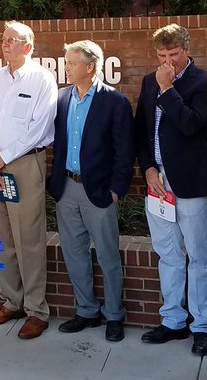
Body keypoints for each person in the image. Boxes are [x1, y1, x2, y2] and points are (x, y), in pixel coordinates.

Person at [134, 23, 207, 355]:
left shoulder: (203, 82)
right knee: (167, 254)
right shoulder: (147, 82)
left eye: (174, 54)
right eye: (161, 55)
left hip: (192, 183)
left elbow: (193, 125)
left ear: (187, 50)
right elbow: (141, 130)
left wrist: (168, 91)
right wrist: (149, 168)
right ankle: (173, 321)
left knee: (199, 257)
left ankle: (202, 325)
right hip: (158, 183)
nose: (167, 62)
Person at [48, 40, 133, 342]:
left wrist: (115, 190)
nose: (66, 67)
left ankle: (113, 315)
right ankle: (86, 311)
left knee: (108, 255)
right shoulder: (60, 98)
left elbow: (125, 151)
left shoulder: (115, 102)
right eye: (66, 61)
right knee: (74, 254)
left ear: (90, 66)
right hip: (66, 188)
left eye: (71, 62)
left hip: (99, 191)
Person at [0, 21, 58, 340]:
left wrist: (2, 158)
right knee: (1, 238)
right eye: (3, 39)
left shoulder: (42, 79)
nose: (5, 44)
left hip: (24, 165)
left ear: (28, 46)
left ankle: (37, 310)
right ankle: (11, 302)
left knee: (29, 239)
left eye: (12, 40)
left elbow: (38, 129)